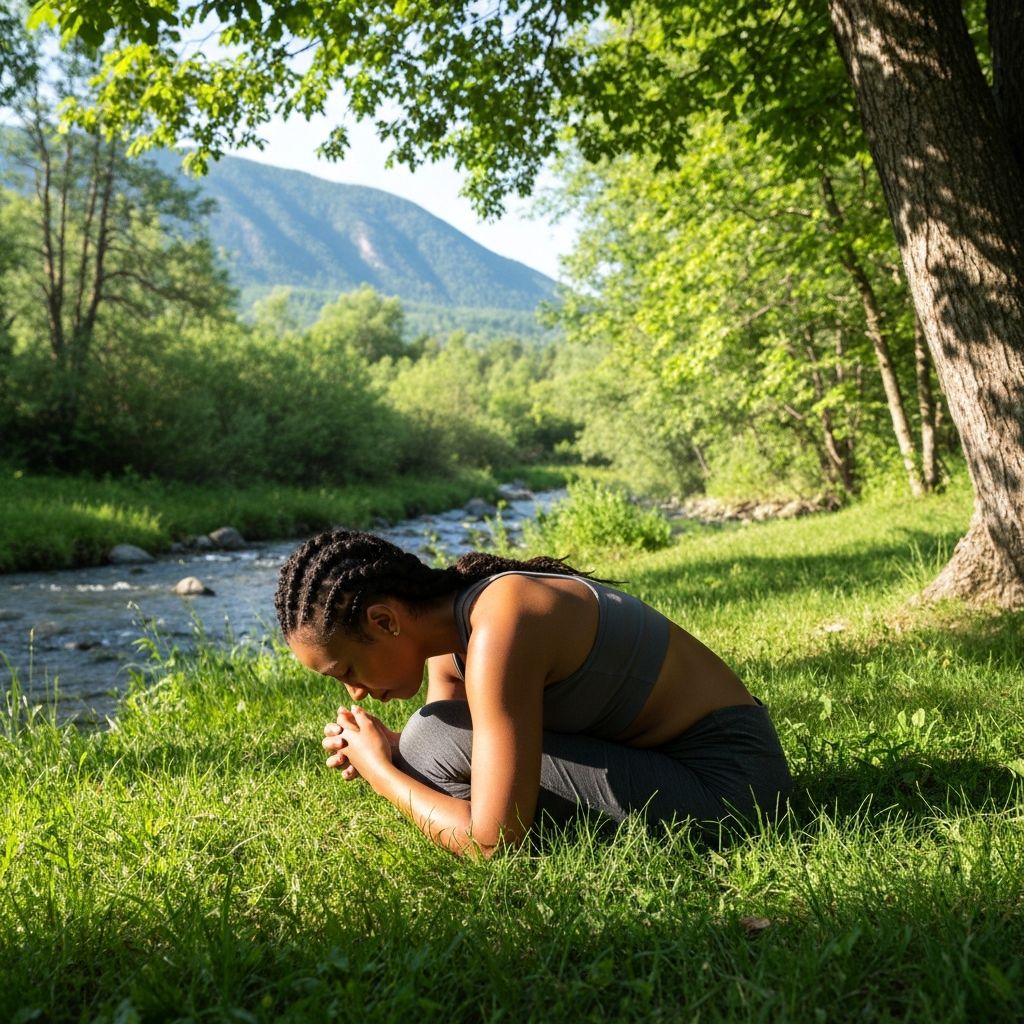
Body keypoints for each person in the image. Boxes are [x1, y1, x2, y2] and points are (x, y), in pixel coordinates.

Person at [275, 529, 791, 858]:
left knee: (428, 738)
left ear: (385, 620)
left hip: (733, 791)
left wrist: (381, 772)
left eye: (346, 669)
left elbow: (491, 843)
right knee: (426, 738)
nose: (354, 692)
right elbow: (450, 755)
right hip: (683, 763)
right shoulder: (453, 630)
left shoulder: (502, 628)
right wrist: (394, 751)